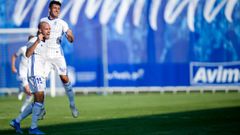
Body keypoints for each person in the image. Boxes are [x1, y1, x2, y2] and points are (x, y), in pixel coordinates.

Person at [10, 22, 51, 134]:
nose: (48, 31)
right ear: (40, 30)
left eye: (49, 29)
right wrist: (37, 40)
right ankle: (33, 128)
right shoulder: (33, 41)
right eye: (46, 29)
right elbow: (28, 54)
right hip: (34, 75)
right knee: (38, 100)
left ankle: (16, 121)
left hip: (40, 75)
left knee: (38, 102)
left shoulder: (45, 44)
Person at [40, 0, 79, 118]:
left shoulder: (62, 23)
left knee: (65, 79)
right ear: (49, 9)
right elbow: (39, 35)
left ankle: (72, 105)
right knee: (41, 83)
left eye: (58, 8)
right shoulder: (43, 21)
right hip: (45, 56)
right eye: (55, 8)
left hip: (57, 55)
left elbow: (71, 36)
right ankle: (41, 108)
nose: (57, 10)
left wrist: (70, 37)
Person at [11, 36, 34, 113]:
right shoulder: (23, 49)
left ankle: (23, 107)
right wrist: (13, 67)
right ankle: (21, 90)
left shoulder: (37, 50)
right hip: (23, 72)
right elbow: (14, 56)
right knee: (27, 90)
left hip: (31, 73)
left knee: (30, 92)